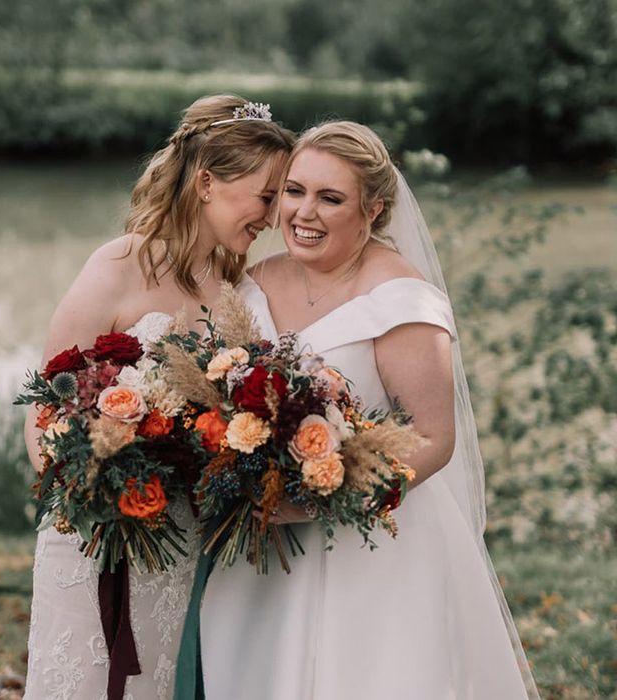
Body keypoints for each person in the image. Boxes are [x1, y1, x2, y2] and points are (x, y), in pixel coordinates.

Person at [198, 122, 540, 699]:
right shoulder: (252, 280)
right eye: (294, 190)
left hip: (373, 546)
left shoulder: (401, 301)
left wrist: (321, 501)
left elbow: (433, 438)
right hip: (261, 547)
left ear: (374, 210)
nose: (304, 212)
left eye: (331, 198)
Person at [22, 95, 293, 700]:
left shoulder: (231, 292)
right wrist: (85, 490)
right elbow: (47, 397)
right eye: (267, 196)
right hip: (95, 531)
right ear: (205, 182)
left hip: (177, 539)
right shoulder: (120, 263)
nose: (273, 218)